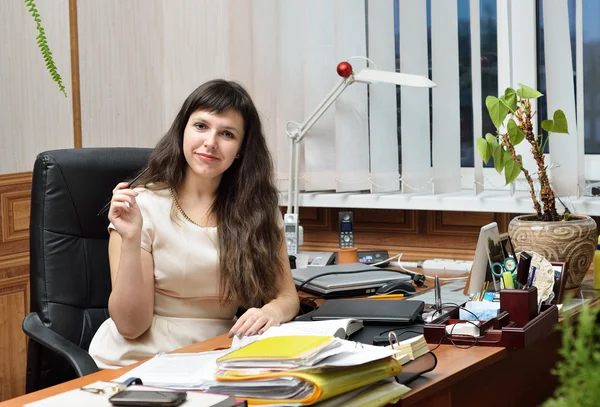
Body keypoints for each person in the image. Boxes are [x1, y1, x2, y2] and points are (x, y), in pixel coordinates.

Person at [88, 79, 300, 368]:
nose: (210, 142)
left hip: (218, 355)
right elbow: (130, 326)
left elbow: (287, 296)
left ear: (240, 149)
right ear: (182, 131)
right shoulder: (141, 206)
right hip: (139, 362)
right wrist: (130, 237)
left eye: (227, 133)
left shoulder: (258, 210)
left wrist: (273, 312)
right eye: (201, 126)